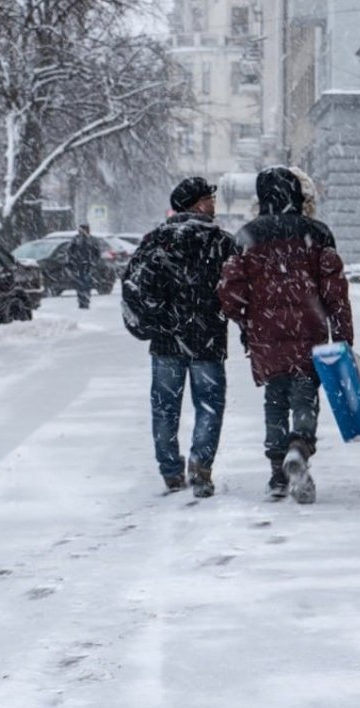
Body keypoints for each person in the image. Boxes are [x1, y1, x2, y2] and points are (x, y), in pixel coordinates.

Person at [218, 166, 353, 504]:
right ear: (296, 194)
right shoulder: (317, 234)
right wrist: (342, 333)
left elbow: (230, 291)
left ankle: (278, 471)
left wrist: (246, 319)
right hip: (309, 331)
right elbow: (335, 290)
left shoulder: (247, 236)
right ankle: (300, 446)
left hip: (265, 333)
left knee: (275, 400)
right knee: (305, 394)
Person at [121, 176, 240, 497]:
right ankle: (201, 466)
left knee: (164, 407)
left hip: (166, 341)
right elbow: (237, 290)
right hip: (208, 340)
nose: (214, 205)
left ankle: (171, 470)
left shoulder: (155, 240)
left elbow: (132, 285)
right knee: (209, 406)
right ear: (198, 204)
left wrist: (155, 321)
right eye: (210, 199)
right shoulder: (221, 242)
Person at [67, 224, 104, 309]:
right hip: (78, 265)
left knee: (87, 283)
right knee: (80, 283)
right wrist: (72, 261)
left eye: (84, 230)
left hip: (88, 265)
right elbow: (70, 251)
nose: (82, 232)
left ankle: (86, 300)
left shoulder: (92, 240)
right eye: (81, 230)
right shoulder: (75, 239)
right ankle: (81, 300)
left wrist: (94, 262)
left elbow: (97, 252)